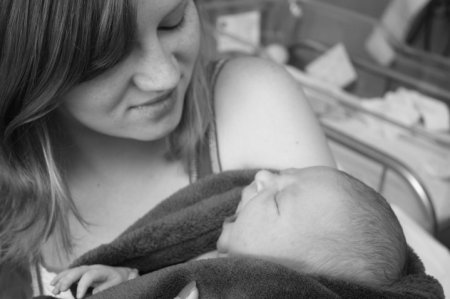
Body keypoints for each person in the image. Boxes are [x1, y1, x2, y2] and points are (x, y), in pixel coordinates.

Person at [0, 0, 335, 297]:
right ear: (24, 64)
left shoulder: (254, 98)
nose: (165, 77)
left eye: (173, 20)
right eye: (107, 56)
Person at [50, 166, 407, 298]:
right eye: (285, 172)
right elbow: (158, 284)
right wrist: (124, 279)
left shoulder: (249, 288)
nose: (262, 176)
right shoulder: (210, 262)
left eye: (277, 200)